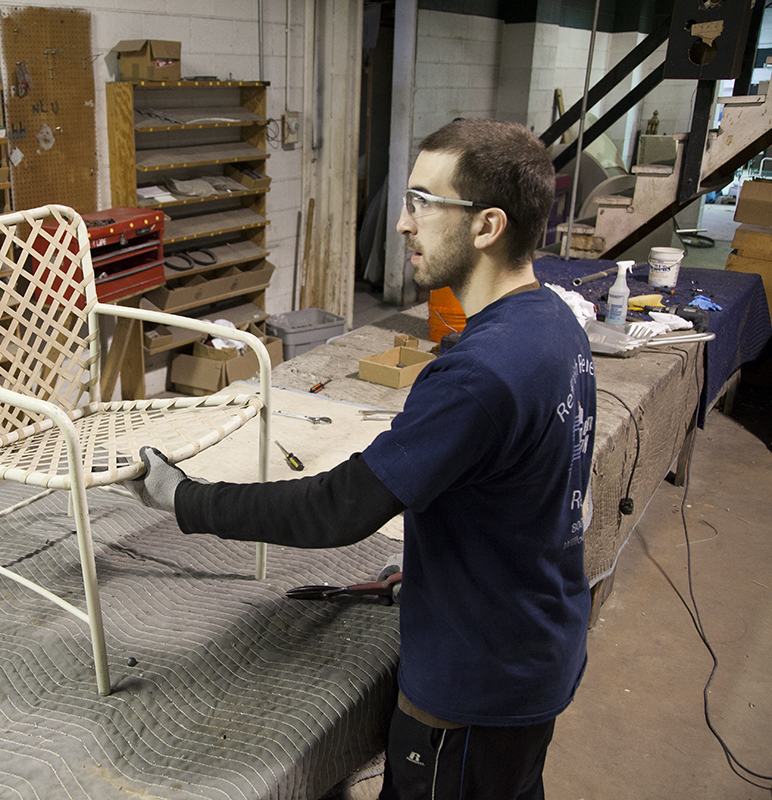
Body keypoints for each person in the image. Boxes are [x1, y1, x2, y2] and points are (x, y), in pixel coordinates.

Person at [125, 118, 596, 800]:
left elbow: (338, 508)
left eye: (423, 203)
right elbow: (526, 484)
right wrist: (440, 565)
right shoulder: (551, 319)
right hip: (536, 648)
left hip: (472, 690)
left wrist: (185, 498)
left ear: (488, 226)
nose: (404, 224)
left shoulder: (478, 374)